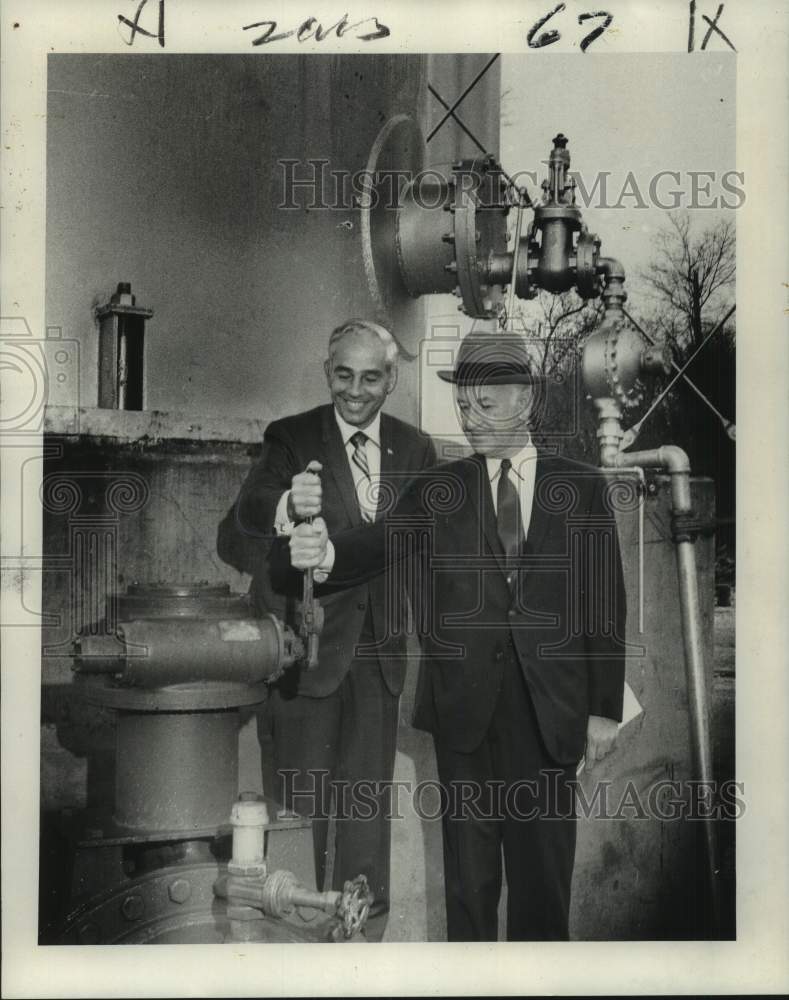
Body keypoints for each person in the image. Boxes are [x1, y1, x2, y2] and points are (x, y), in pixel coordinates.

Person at [284, 331, 628, 941]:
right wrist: (325, 552)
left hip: (549, 718)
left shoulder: (580, 488)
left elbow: (604, 603)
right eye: (464, 407)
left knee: (542, 889)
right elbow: (378, 542)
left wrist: (602, 711)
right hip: (465, 717)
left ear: (525, 400)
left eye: (485, 406)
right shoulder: (444, 488)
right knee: (468, 890)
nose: (471, 420)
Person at [217, 318, 436, 940]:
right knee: (298, 818)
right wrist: (289, 504)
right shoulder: (291, 437)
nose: (356, 391)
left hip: (380, 659)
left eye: (371, 377)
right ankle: (295, 944)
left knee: (367, 824)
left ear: (391, 380)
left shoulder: (417, 450)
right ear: (326, 371)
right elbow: (250, 510)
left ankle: (363, 942)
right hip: (307, 659)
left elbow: (411, 538)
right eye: (344, 374)